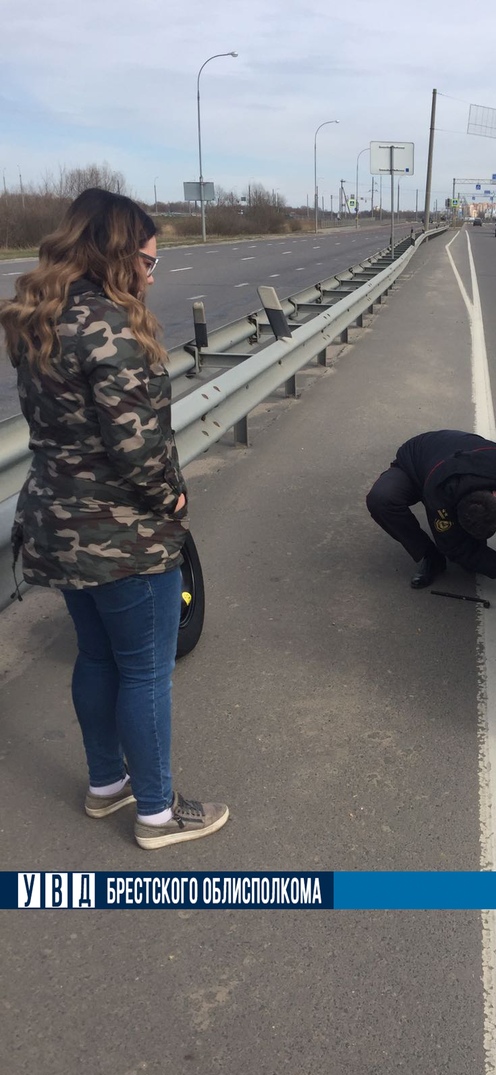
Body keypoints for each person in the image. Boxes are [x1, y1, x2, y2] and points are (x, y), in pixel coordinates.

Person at [0, 188, 229, 850]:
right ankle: (156, 812)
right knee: (145, 670)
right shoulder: (115, 329)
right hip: (122, 537)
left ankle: (108, 784)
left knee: (97, 657)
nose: (153, 277)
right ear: (119, 256)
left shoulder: (40, 320)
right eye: (150, 264)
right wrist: (174, 500)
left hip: (55, 523)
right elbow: (135, 447)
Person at [366, 430, 496, 589]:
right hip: (417, 460)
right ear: (456, 509)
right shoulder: (440, 496)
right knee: (381, 499)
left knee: (474, 560)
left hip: (466, 455)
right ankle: (430, 557)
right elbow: (455, 546)